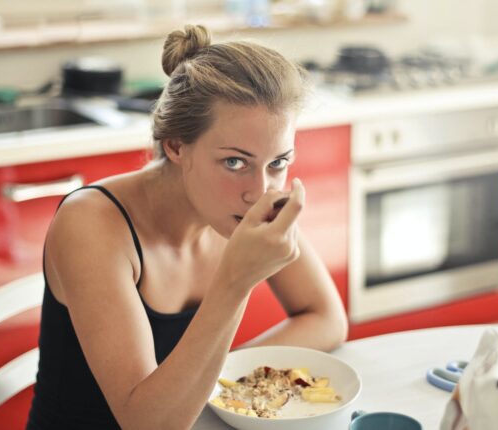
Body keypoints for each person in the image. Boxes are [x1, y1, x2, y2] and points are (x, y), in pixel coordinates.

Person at [26, 24, 348, 430]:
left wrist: (220, 382)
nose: (259, 192)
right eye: (235, 162)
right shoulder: (91, 225)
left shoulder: (244, 203)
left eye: (278, 163)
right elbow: (146, 423)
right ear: (177, 146)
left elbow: (326, 318)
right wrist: (236, 281)